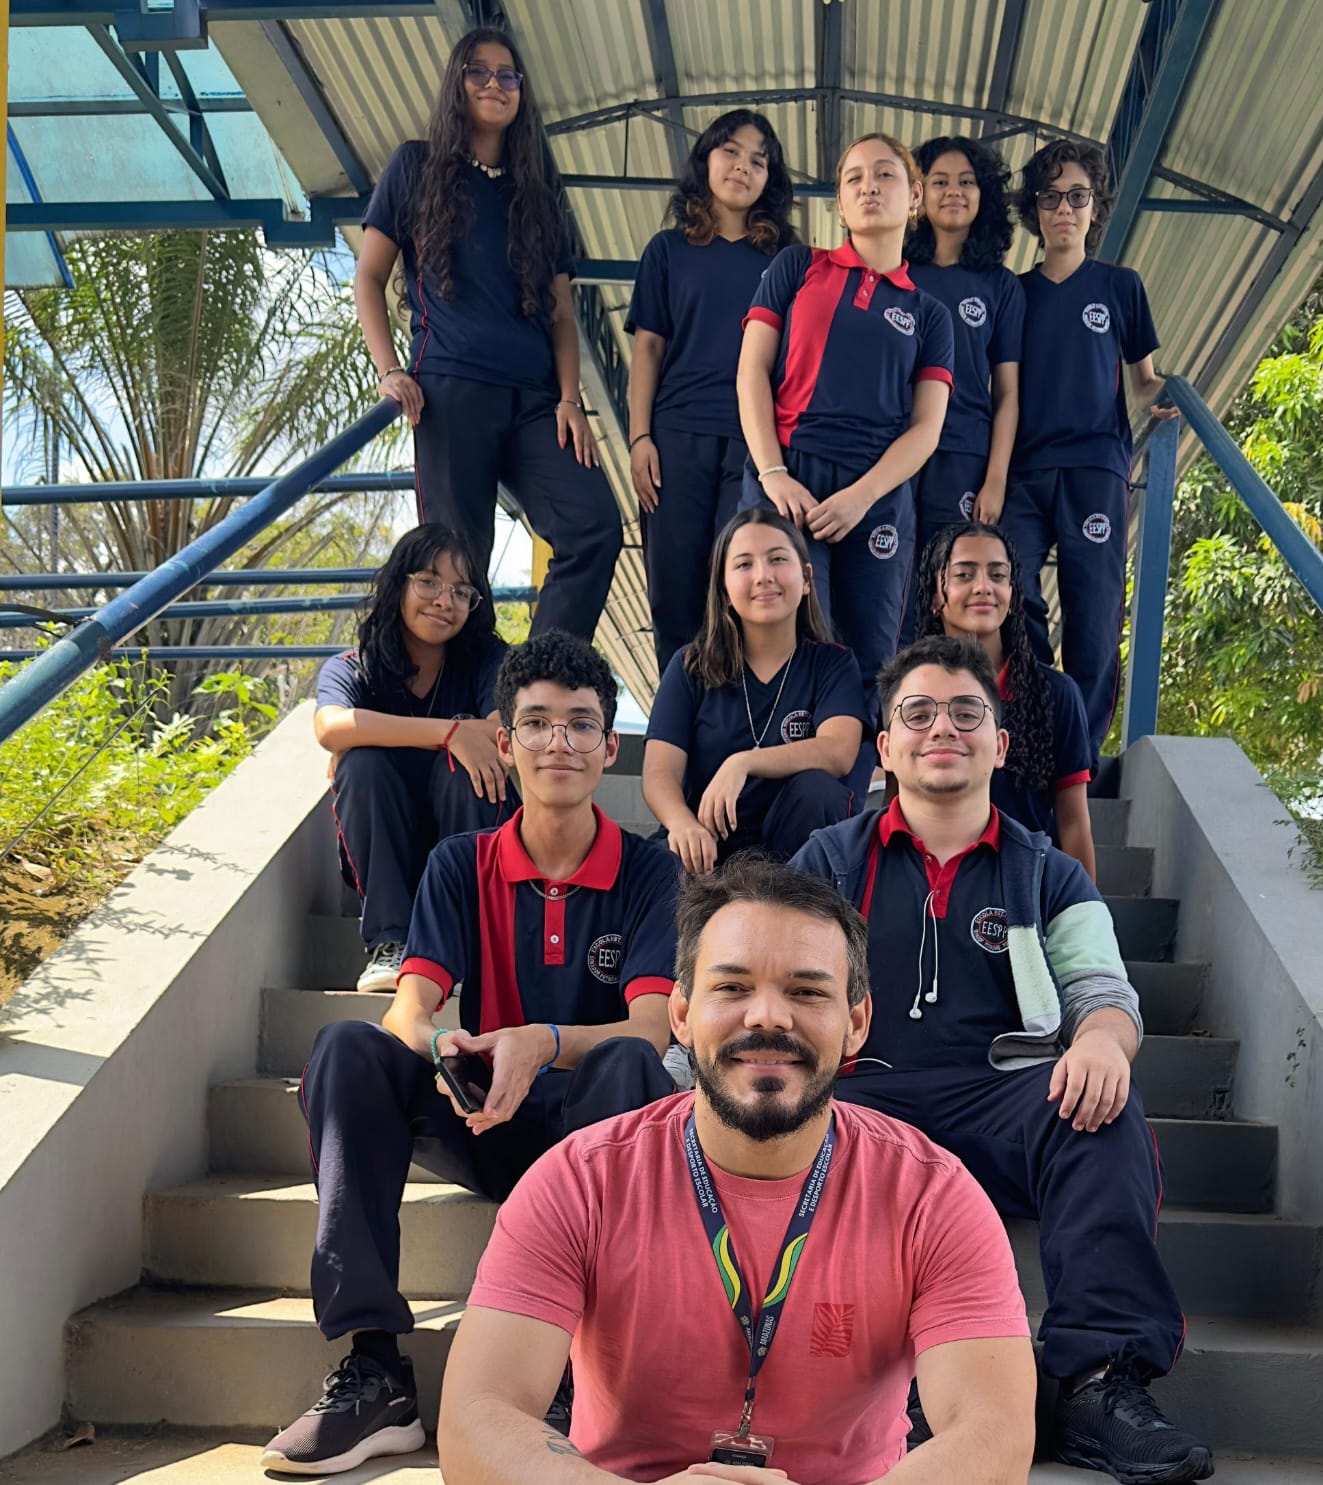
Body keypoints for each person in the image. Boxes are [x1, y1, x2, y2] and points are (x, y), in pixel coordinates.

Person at [438, 857, 1037, 1485]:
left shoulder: (932, 1194)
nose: (767, 1016)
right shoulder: (580, 1180)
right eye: (732, 988)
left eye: (806, 992)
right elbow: (477, 1420)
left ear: (856, 1022)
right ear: (680, 1015)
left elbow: (993, 1433)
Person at [791, 636, 1213, 1485]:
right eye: (918, 713)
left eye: (965, 711)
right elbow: (776, 987)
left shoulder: (1048, 872)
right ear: (885, 748)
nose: (942, 728)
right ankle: (889, 1388)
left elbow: (1104, 990)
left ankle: (1096, 1384)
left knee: (1102, 1111)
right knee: (802, 1127)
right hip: (868, 1098)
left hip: (1006, 1095)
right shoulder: (829, 861)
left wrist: (1101, 1040)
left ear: (1000, 742)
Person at [262, 632, 681, 1477]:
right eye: (536, 722)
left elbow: (651, 1030)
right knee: (348, 1047)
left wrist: (542, 1041)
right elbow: (407, 1012)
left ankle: (578, 1366)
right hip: (485, 1115)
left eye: (580, 724)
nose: (558, 742)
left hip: (592, 1132)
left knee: (628, 1068)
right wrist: (445, 1046)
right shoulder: (461, 862)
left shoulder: (649, 873)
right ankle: (375, 1367)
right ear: (505, 740)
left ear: (610, 747)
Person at [353, 26, 620, 638]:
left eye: (508, 76)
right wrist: (389, 369)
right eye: (479, 71)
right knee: (456, 564)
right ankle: (472, 689)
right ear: (457, 83)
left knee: (594, 524)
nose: (494, 84)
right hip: (451, 392)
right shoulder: (415, 165)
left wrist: (571, 399)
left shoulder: (540, 196)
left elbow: (561, 314)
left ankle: (537, 674)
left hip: (536, 402)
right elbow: (368, 277)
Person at [737, 132, 954, 709]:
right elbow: (751, 372)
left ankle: (858, 767)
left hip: (874, 498)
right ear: (839, 201)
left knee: (871, 660)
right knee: (780, 640)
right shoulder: (798, 266)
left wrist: (861, 497)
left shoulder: (930, 314)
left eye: (884, 174)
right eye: (853, 178)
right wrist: (773, 474)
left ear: (914, 197)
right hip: (788, 479)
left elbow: (926, 430)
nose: (868, 187)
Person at [1007, 139, 1178, 750]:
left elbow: (1143, 380)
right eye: (1051, 197)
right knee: (1008, 591)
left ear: (1095, 206)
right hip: (1023, 470)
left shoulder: (1120, 286)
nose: (1064, 210)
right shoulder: (1014, 293)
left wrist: (1165, 394)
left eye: (1077, 197)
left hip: (1095, 466)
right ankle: (1031, 722)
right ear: (1034, 209)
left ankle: (1079, 742)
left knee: (1097, 609)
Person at [626, 109, 799, 675]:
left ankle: (737, 712)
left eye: (759, 160)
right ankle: (678, 709)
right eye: (731, 152)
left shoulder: (787, 260)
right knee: (673, 591)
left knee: (741, 589)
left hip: (754, 446)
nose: (743, 167)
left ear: (770, 179)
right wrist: (640, 438)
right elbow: (648, 350)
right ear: (705, 161)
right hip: (675, 440)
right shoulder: (666, 251)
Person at [315, 523, 510, 992]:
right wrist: (452, 732)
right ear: (398, 584)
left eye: (461, 592)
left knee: (466, 770)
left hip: (469, 831)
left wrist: (382, 732)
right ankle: (392, 942)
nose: (444, 601)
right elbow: (331, 727)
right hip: (386, 852)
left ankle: (460, 945)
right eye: (428, 582)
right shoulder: (354, 666)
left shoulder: (487, 661)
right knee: (362, 765)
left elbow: (506, 732)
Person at [642, 509, 863, 875]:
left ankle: (799, 905)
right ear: (724, 590)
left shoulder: (832, 664)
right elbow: (659, 772)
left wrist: (742, 763)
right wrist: (682, 824)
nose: (763, 576)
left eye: (778, 559)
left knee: (819, 790)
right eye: (744, 564)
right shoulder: (690, 666)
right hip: (707, 849)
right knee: (657, 863)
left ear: (807, 579)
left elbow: (838, 751)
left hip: (795, 857)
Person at [912, 522, 1095, 878]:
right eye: (964, 575)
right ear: (936, 594)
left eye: (998, 575)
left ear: (1012, 593)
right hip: (930, 885)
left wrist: (1088, 907)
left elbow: (1073, 822)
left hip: (1025, 884)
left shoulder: (1056, 694)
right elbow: (895, 805)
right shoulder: (908, 692)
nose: (984, 587)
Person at [902, 135, 1024, 615]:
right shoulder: (897, 272)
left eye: (967, 182)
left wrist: (995, 479)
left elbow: (1007, 394)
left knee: (949, 588)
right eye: (940, 181)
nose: (954, 191)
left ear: (983, 195)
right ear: (918, 194)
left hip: (963, 452)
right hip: (892, 448)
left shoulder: (1000, 286)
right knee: (893, 582)